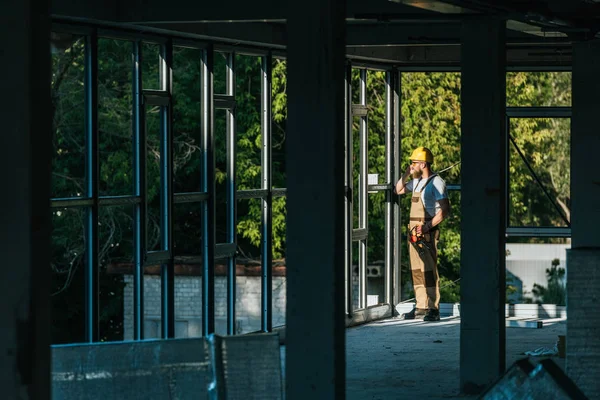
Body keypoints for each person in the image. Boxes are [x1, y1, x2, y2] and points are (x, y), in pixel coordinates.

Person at [394, 146, 451, 322]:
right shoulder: (416, 182)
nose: (411, 165)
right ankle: (421, 306)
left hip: (427, 231)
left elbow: (445, 210)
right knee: (417, 270)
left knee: (428, 270)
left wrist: (427, 227)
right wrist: (406, 174)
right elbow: (398, 190)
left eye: (414, 163)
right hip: (413, 231)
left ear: (424, 163)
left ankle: (433, 308)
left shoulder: (436, 183)